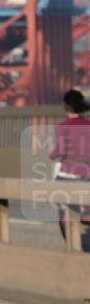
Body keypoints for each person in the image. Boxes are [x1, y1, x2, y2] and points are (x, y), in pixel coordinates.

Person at [48, 89, 90, 246]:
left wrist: (51, 155)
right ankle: (87, 215)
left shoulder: (62, 126)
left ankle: (71, 239)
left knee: (60, 201)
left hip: (68, 174)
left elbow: (61, 151)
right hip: (88, 174)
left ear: (65, 107)